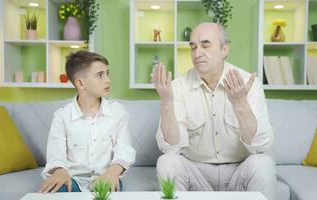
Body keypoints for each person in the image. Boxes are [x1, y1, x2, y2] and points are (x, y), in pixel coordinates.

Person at [151, 23, 277, 200]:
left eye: (205, 44)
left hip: (239, 171)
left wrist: (240, 103)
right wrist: (166, 102)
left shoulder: (248, 83)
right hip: (196, 172)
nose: (197, 53)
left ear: (224, 49)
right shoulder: (177, 87)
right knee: (167, 162)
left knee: (264, 163)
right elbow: (171, 148)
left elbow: (260, 145)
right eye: (193, 47)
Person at [39, 50, 136, 193]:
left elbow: (124, 150)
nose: (107, 80)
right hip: (73, 180)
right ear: (81, 83)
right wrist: (59, 170)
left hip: (106, 177)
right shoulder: (61, 116)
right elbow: (56, 154)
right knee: (56, 190)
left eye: (107, 73)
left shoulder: (118, 112)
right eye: (100, 75)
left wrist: (114, 171)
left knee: (109, 190)